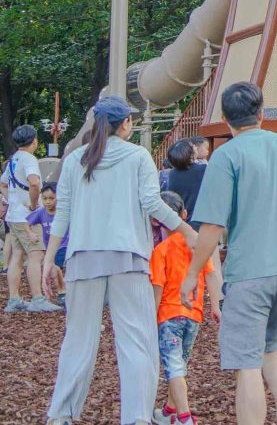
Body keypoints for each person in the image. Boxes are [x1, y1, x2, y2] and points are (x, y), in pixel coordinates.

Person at [183, 82, 277, 425]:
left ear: (225, 119)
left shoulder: (226, 155)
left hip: (251, 272)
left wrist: (192, 274)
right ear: (262, 114)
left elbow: (211, 225)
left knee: (246, 362)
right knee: (272, 344)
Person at [44, 96, 197, 425]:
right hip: (129, 257)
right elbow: (153, 205)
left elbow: (63, 214)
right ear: (125, 123)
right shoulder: (137, 156)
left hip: (83, 258)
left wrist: (48, 259)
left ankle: (62, 415)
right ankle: (137, 418)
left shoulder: (75, 160)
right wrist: (187, 231)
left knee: (78, 340)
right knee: (137, 341)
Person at [151, 190, 222, 425]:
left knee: (173, 367)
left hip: (169, 314)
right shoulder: (197, 246)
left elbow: (158, 287)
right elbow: (211, 275)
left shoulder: (160, 251)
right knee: (180, 363)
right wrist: (215, 305)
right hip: (194, 313)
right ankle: (170, 409)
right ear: (184, 213)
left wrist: (151, 315)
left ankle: (183, 416)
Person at [0, 124, 55, 312]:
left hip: (13, 215)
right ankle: (38, 298)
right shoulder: (29, 159)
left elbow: (2, 184)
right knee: (36, 255)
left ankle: (14, 298)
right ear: (34, 141)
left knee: (17, 255)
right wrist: (33, 205)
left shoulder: (13, 159)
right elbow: (34, 183)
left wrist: (13, 200)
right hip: (28, 218)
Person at [27, 182, 68, 300]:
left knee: (58, 268)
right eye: (44, 199)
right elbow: (27, 223)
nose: (48, 202)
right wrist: (31, 233)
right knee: (55, 269)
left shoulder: (63, 212)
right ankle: (62, 291)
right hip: (51, 247)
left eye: (51, 198)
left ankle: (63, 291)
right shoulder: (41, 212)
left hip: (64, 245)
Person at [165, 139, 207, 228]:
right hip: (202, 222)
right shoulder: (203, 170)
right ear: (190, 153)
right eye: (193, 146)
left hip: (182, 222)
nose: (196, 147)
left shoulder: (173, 174)